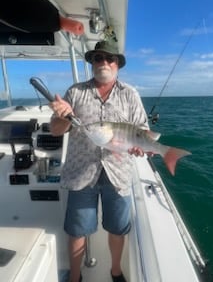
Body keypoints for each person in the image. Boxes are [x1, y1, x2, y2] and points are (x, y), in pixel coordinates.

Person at [49, 40, 149, 282]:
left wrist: (140, 146)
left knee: (117, 228)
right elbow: (55, 130)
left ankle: (115, 271)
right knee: (77, 230)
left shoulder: (130, 94)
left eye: (110, 58)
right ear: (92, 62)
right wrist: (63, 116)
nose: (104, 62)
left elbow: (143, 130)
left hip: (118, 172)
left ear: (117, 64)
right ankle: (75, 277)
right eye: (98, 58)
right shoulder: (75, 92)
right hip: (81, 173)